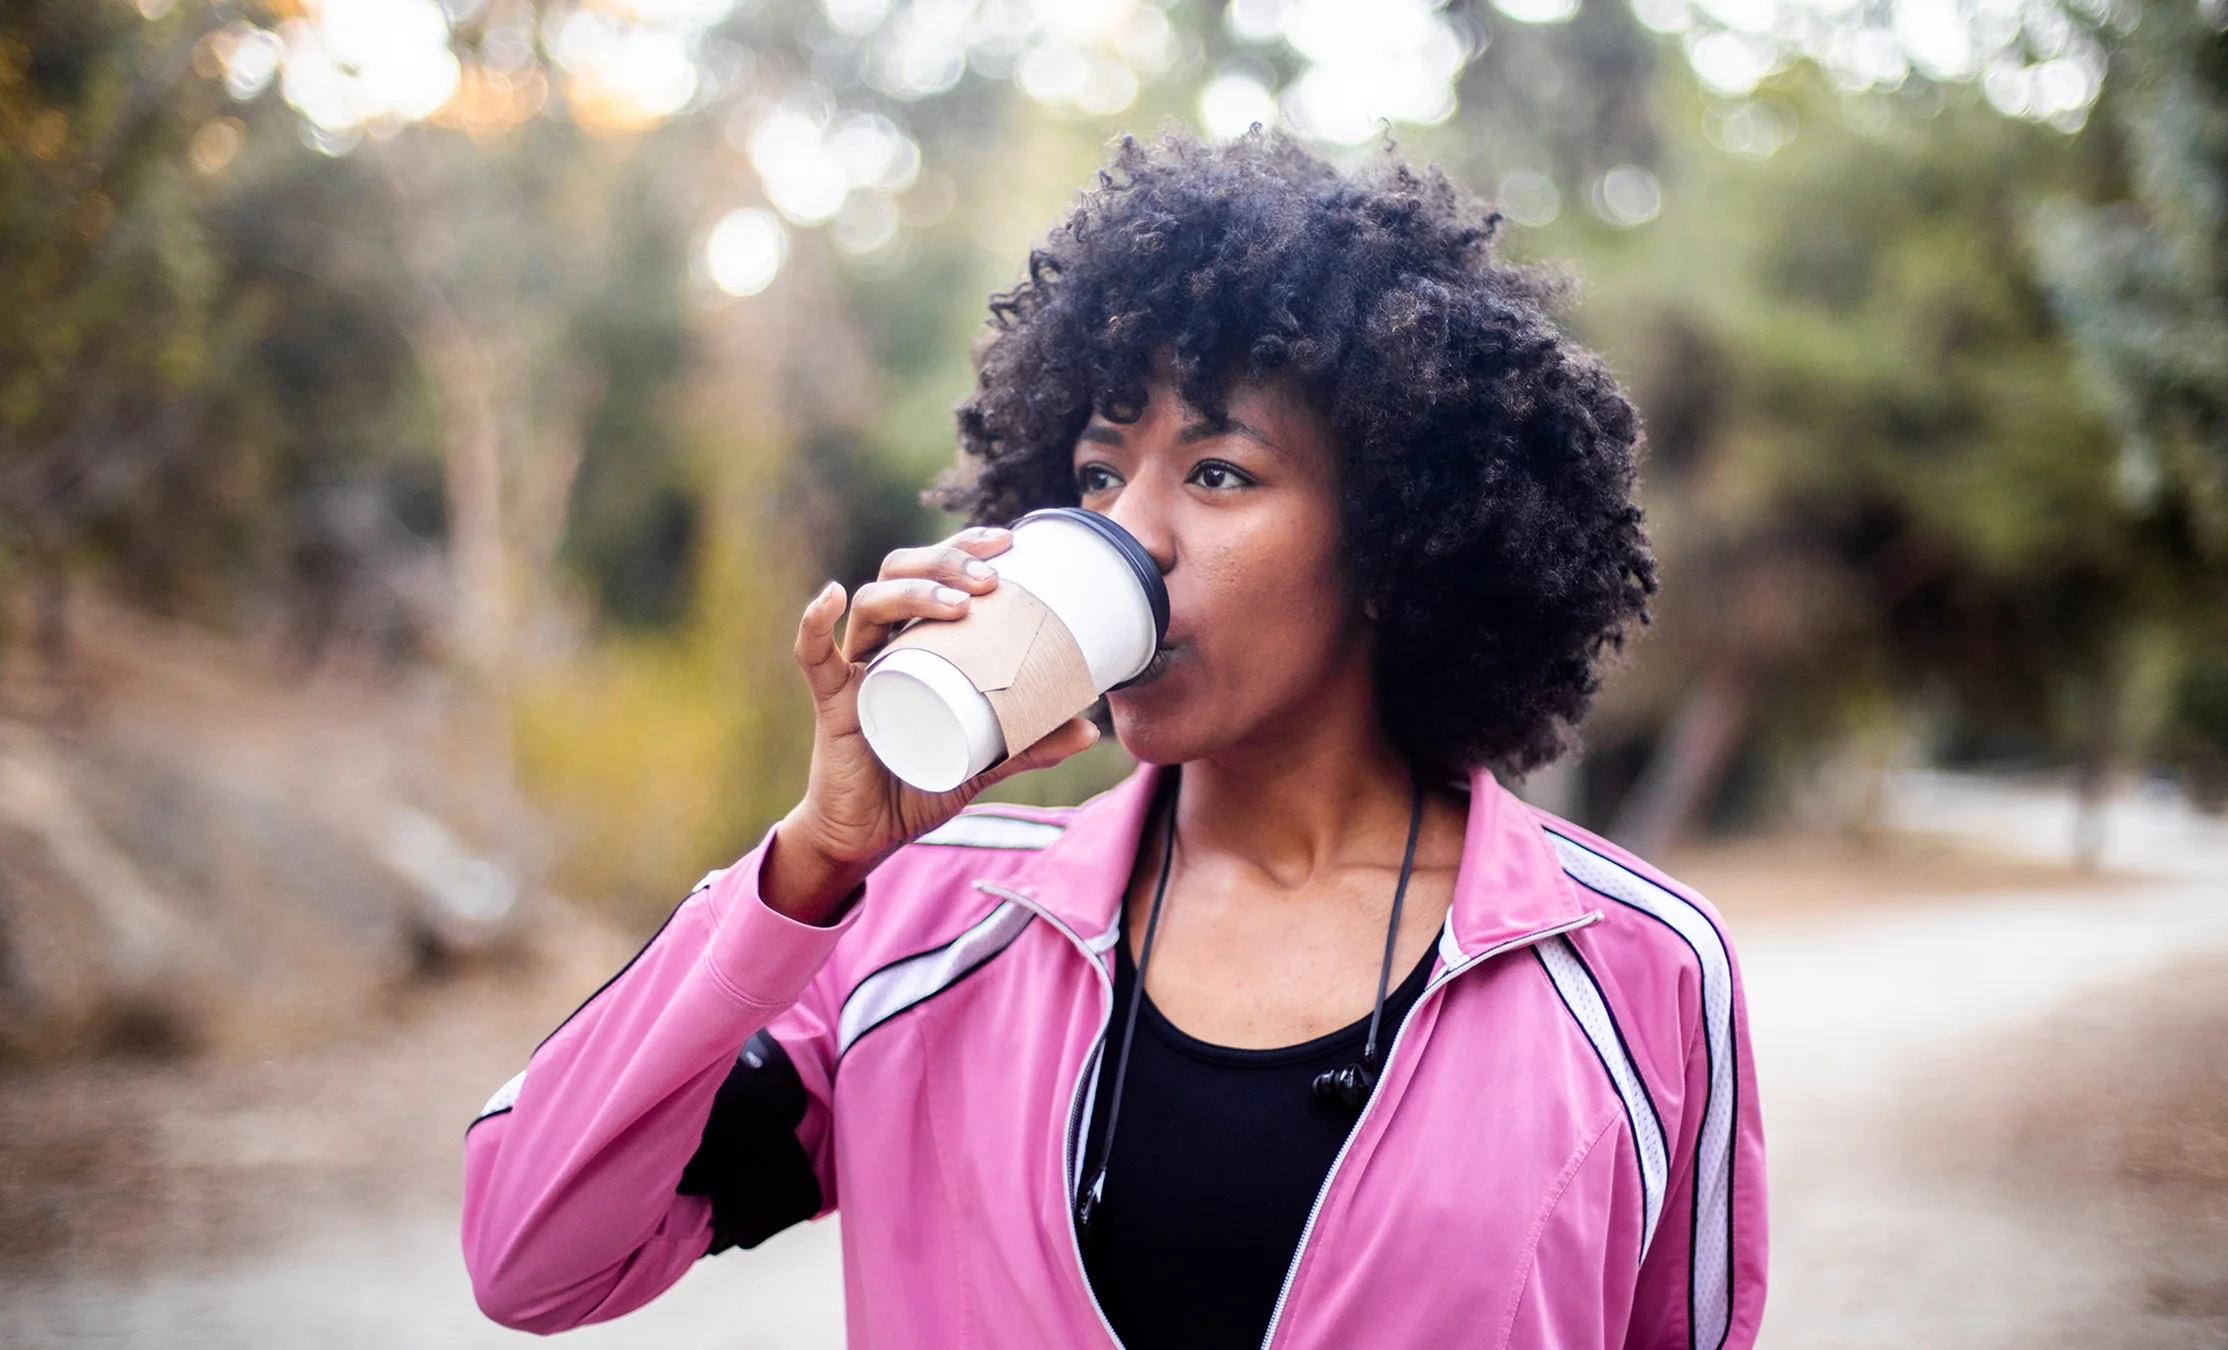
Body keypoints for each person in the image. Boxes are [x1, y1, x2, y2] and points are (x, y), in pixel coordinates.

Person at [462, 129, 1767, 1350]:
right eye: (1095, 475)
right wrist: (815, 857)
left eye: (1217, 473)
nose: (1125, 536)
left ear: (1394, 545)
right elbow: (533, 1254)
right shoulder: (916, 926)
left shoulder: (1637, 969)